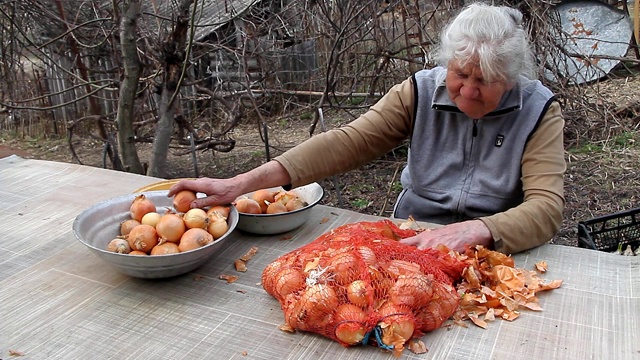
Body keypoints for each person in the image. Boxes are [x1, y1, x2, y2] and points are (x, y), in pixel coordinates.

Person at [168, 2, 565, 255]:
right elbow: (348, 141)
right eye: (460, 73)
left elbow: (546, 208)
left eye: (486, 79)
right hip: (413, 229)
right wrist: (243, 183)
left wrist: (477, 231)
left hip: (493, 244)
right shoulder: (420, 90)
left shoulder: (538, 110)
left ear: (512, 78)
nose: (468, 90)